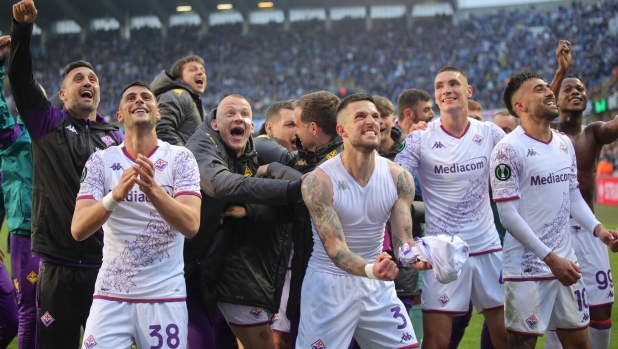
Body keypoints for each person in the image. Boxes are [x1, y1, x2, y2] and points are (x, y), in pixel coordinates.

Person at [8, 2, 124, 348]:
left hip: (105, 267)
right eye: (78, 79)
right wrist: (22, 29)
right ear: (63, 94)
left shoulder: (115, 136)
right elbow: (21, 79)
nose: (87, 82)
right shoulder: (49, 124)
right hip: (58, 265)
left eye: (93, 79)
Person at [491, 71, 618, 349]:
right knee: (522, 345)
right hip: (528, 268)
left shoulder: (562, 143)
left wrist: (597, 230)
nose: (549, 92)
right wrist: (550, 260)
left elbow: (572, 195)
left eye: (548, 87)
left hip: (566, 263)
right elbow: (508, 215)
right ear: (519, 106)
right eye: (539, 89)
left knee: (580, 345)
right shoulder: (507, 149)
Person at [71, 81, 201, 349]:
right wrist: (114, 196)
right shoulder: (100, 161)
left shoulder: (181, 158)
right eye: (130, 98)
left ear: (158, 112)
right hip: (111, 295)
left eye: (146, 97)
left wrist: (153, 189)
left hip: (164, 297)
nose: (139, 101)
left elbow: (191, 225)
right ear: (119, 115)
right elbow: (79, 229)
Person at [296, 93, 426, 348]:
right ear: (341, 129)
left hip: (376, 286)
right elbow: (336, 249)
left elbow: (403, 242)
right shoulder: (319, 181)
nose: (371, 121)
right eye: (361, 116)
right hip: (329, 285)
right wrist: (372, 270)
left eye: (375, 116)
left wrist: (420, 256)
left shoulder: (399, 178)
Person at [395, 66, 508, 349]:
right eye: (440, 86)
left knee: (507, 337)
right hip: (442, 251)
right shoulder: (420, 138)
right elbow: (395, 186)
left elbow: (521, 164)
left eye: (454, 83)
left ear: (468, 91)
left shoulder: (491, 132)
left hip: (488, 248)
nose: (447, 90)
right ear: (435, 96)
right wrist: (406, 244)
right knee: (435, 342)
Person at [184, 94, 303, 349]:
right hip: (194, 268)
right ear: (215, 124)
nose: (238, 117)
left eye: (245, 114)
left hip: (233, 269)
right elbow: (219, 184)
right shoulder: (201, 145)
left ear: (251, 126)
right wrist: (290, 190)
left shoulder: (256, 151)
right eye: (230, 113)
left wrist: (251, 207)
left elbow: (291, 203)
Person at [542, 40, 618, 349]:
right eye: (568, 90)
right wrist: (561, 72)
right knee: (557, 313)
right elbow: (538, 106)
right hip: (553, 235)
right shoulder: (545, 136)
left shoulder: (594, 132)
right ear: (555, 100)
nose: (576, 92)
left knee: (601, 311)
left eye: (581, 90)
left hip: (589, 234)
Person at [284, 91, 343, 348]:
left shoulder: (337, 164)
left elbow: (307, 182)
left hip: (330, 277)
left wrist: (275, 171)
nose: (295, 133)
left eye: (297, 125)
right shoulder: (313, 157)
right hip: (316, 273)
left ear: (312, 127)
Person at [0, 34, 38, 349]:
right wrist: (1, 66)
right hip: (26, 231)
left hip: (59, 233)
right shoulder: (15, 136)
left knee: (52, 314)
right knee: (29, 311)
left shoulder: (53, 134)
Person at [151, 55, 206, 146]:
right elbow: (162, 129)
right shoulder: (177, 95)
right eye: (193, 69)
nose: (201, 72)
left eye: (203, 71)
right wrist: (184, 157)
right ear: (179, 79)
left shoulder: (194, 102)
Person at [254, 100, 298, 166]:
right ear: (270, 129)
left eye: (300, 125)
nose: (297, 130)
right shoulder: (259, 143)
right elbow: (288, 159)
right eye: (290, 124)